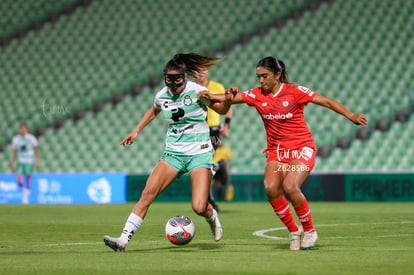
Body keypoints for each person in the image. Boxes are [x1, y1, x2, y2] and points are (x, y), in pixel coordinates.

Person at [200, 56, 367, 250]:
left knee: (290, 185)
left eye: (264, 76)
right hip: (277, 151)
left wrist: (351, 115)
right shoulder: (256, 95)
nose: (260, 81)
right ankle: (293, 230)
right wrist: (207, 95)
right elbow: (226, 100)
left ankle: (310, 230)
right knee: (271, 188)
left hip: (301, 147)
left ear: (277, 75)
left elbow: (326, 102)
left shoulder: (295, 92)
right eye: (258, 77)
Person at [103, 53, 236, 252]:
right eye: (169, 78)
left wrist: (228, 101)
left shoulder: (198, 91)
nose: (173, 83)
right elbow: (154, 109)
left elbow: (222, 110)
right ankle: (122, 240)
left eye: (177, 79)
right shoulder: (161, 95)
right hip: (173, 154)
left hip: (198, 154)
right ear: (165, 77)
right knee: (147, 194)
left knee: (199, 207)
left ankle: (213, 218)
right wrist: (136, 130)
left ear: (184, 77)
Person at [194, 67, 233, 212]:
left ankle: (208, 201)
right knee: (202, 165)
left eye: (203, 70)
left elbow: (228, 105)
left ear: (208, 72)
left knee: (204, 163)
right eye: (197, 71)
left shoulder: (216, 87)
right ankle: (218, 167)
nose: (200, 73)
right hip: (196, 130)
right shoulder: (190, 89)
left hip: (213, 130)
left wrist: (227, 125)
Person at [11, 123, 40, 204]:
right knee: (19, 179)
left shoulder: (31, 138)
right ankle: (25, 191)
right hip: (20, 161)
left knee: (27, 179)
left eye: (24, 128)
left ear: (27, 129)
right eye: (21, 129)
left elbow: (37, 149)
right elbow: (14, 151)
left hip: (29, 161)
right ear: (20, 129)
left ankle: (26, 196)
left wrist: (37, 161)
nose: (23, 130)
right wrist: (13, 163)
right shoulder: (16, 139)